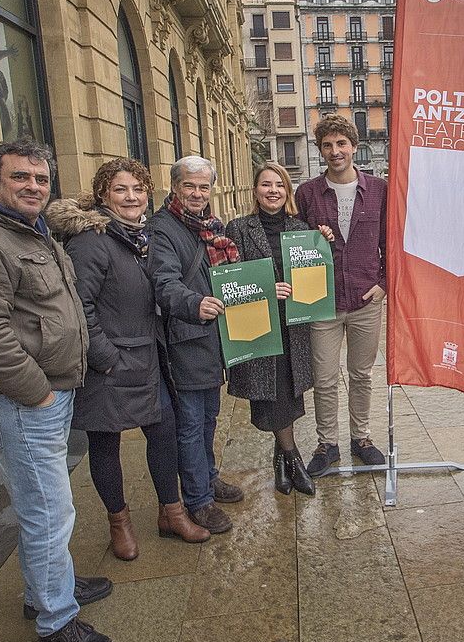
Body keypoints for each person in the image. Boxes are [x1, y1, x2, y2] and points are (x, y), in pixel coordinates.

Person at [0, 139, 113, 642]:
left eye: (40, 178)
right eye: (20, 178)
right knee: (48, 514)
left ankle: (46, 587)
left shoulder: (29, 230)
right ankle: (56, 621)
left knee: (46, 509)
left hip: (44, 394)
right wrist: (35, 391)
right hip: (22, 400)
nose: (33, 186)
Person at [45, 159, 210, 561]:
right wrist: (105, 357)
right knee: (105, 444)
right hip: (110, 363)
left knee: (165, 431)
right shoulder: (91, 241)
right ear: (104, 195)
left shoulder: (140, 237)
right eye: (121, 190)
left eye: (138, 189)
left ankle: (170, 512)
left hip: (148, 358)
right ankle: (119, 523)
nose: (132, 197)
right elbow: (79, 307)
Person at [147, 156, 245, 535]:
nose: (197, 193)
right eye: (189, 185)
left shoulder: (209, 226)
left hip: (212, 339)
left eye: (204, 187)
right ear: (175, 187)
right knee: (190, 425)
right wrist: (194, 304)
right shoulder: (163, 228)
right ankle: (198, 500)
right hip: (187, 338)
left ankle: (207, 477)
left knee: (207, 419)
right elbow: (164, 282)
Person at [225, 163, 336, 496]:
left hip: (293, 326)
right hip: (259, 325)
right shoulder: (238, 229)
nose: (272, 190)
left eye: (279, 185)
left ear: (287, 192)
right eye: (265, 184)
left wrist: (322, 242)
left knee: (288, 390)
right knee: (272, 395)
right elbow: (231, 280)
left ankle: (282, 458)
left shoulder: (300, 228)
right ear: (255, 190)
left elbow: (315, 273)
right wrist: (265, 288)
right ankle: (291, 457)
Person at [295, 114, 389, 476]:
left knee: (362, 374)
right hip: (324, 301)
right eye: (328, 145)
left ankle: (361, 438)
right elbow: (296, 244)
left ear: (354, 146)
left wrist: (385, 282)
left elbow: (390, 242)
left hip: (367, 299)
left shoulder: (378, 190)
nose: (335, 151)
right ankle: (327, 443)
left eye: (341, 144)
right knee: (325, 377)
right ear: (320, 150)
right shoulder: (307, 193)